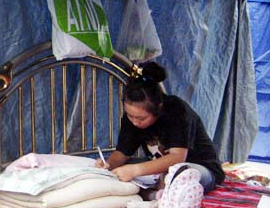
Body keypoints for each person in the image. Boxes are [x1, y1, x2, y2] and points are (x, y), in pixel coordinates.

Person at [95, 61, 224, 197]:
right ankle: (157, 194)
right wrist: (108, 165)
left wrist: (135, 170)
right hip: (160, 171)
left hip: (199, 168)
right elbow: (122, 153)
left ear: (158, 108)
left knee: (180, 174)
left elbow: (177, 157)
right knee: (120, 170)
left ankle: (154, 193)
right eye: (130, 116)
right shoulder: (132, 119)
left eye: (141, 118)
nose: (135, 122)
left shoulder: (177, 110)